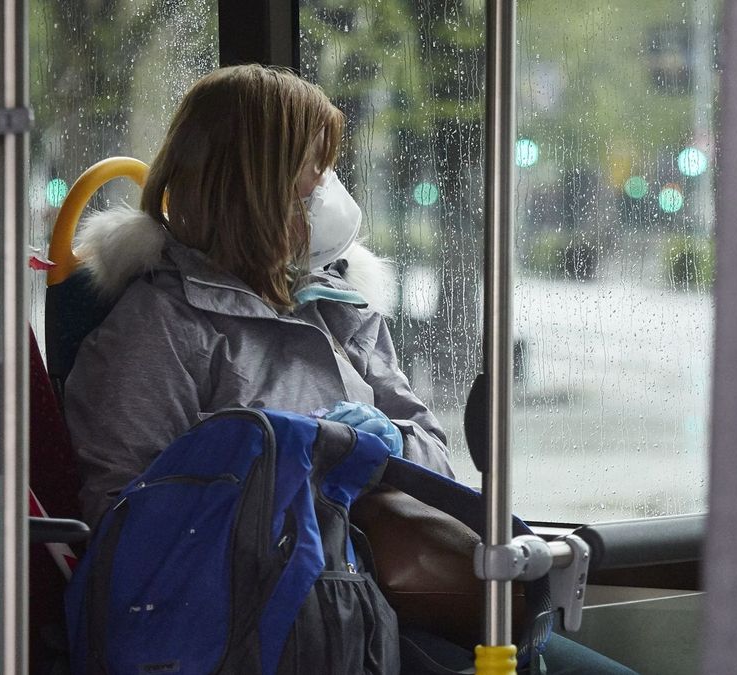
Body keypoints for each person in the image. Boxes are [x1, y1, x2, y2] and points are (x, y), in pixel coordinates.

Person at [64, 64, 633, 675]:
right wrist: (300, 469)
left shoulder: (339, 307)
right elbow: (127, 525)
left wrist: (378, 449)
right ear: (257, 182)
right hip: (270, 620)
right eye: (316, 167)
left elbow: (434, 463)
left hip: (389, 589)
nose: (328, 186)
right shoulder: (159, 327)